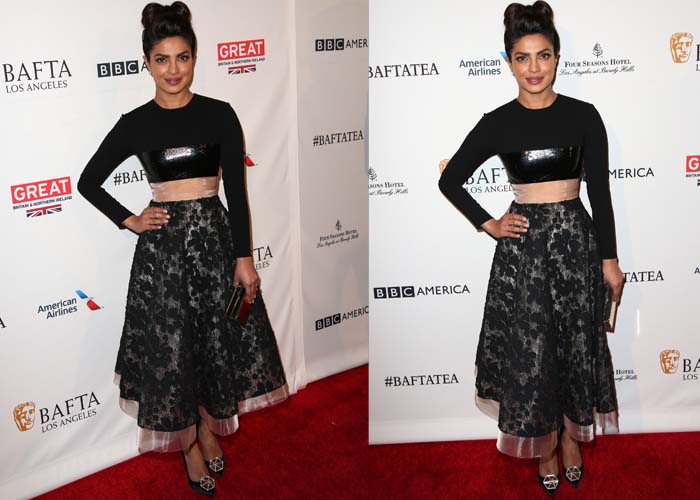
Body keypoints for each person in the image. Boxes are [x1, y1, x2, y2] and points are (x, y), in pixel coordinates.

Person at [77, 2, 288, 496]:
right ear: (146, 63)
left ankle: (208, 426)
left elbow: (237, 192)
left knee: (213, 343)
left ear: (195, 57)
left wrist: (243, 259)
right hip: (164, 257)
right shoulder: (135, 123)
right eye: (162, 59)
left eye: (183, 57)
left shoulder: (220, 114)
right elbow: (88, 182)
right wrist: (130, 219)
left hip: (215, 248)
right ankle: (189, 443)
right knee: (176, 350)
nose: (173, 70)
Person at [438, 1, 623, 496]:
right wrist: (490, 224)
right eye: (522, 58)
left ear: (557, 57)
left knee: (573, 346)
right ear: (509, 62)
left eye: (543, 55)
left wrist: (609, 260)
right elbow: (451, 181)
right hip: (524, 258)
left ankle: (570, 437)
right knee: (535, 354)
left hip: (576, 249)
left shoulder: (584, 116)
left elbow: (601, 194)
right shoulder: (497, 123)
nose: (534, 68)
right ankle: (545, 445)